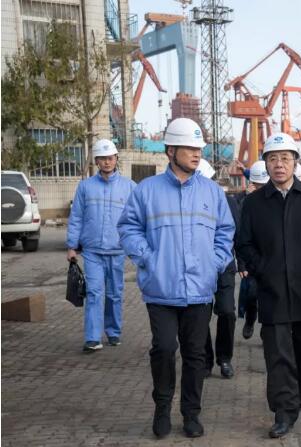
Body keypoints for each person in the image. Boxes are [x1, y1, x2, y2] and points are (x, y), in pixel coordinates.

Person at [117, 118, 235, 439]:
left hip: (200, 289)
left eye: (199, 149)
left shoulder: (212, 192)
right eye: (190, 148)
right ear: (171, 151)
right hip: (161, 289)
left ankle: (191, 413)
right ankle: (162, 408)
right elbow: (128, 227)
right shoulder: (147, 190)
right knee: (165, 348)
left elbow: (225, 233)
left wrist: (214, 263)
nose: (197, 154)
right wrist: (148, 258)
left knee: (195, 355)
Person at [236, 133, 301, 439]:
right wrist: (263, 268)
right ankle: (284, 412)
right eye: (273, 159)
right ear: (266, 164)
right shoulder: (255, 203)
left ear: (296, 163)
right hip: (273, 292)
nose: (279, 164)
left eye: (285, 158)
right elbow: (243, 244)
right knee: (278, 356)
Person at [66, 139, 136, 352]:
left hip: (117, 250)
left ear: (116, 159)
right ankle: (92, 338)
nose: (107, 162)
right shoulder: (85, 187)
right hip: (92, 251)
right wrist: (72, 246)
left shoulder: (130, 187)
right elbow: (76, 217)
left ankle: (113, 332)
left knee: (114, 294)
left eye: (110, 158)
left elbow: (136, 220)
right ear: (96, 161)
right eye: (102, 158)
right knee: (95, 292)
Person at [197, 159, 241, 380]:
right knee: (200, 315)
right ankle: (205, 359)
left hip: (224, 265)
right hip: (197, 268)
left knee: (227, 311)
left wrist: (243, 263)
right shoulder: (185, 204)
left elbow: (238, 233)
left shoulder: (228, 202)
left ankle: (224, 358)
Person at [238, 160, 269, 340]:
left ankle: (267, 330)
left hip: (272, 258)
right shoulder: (246, 203)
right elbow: (241, 235)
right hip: (251, 259)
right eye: (258, 185)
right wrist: (242, 264)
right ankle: (250, 320)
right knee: (251, 294)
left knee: (270, 297)